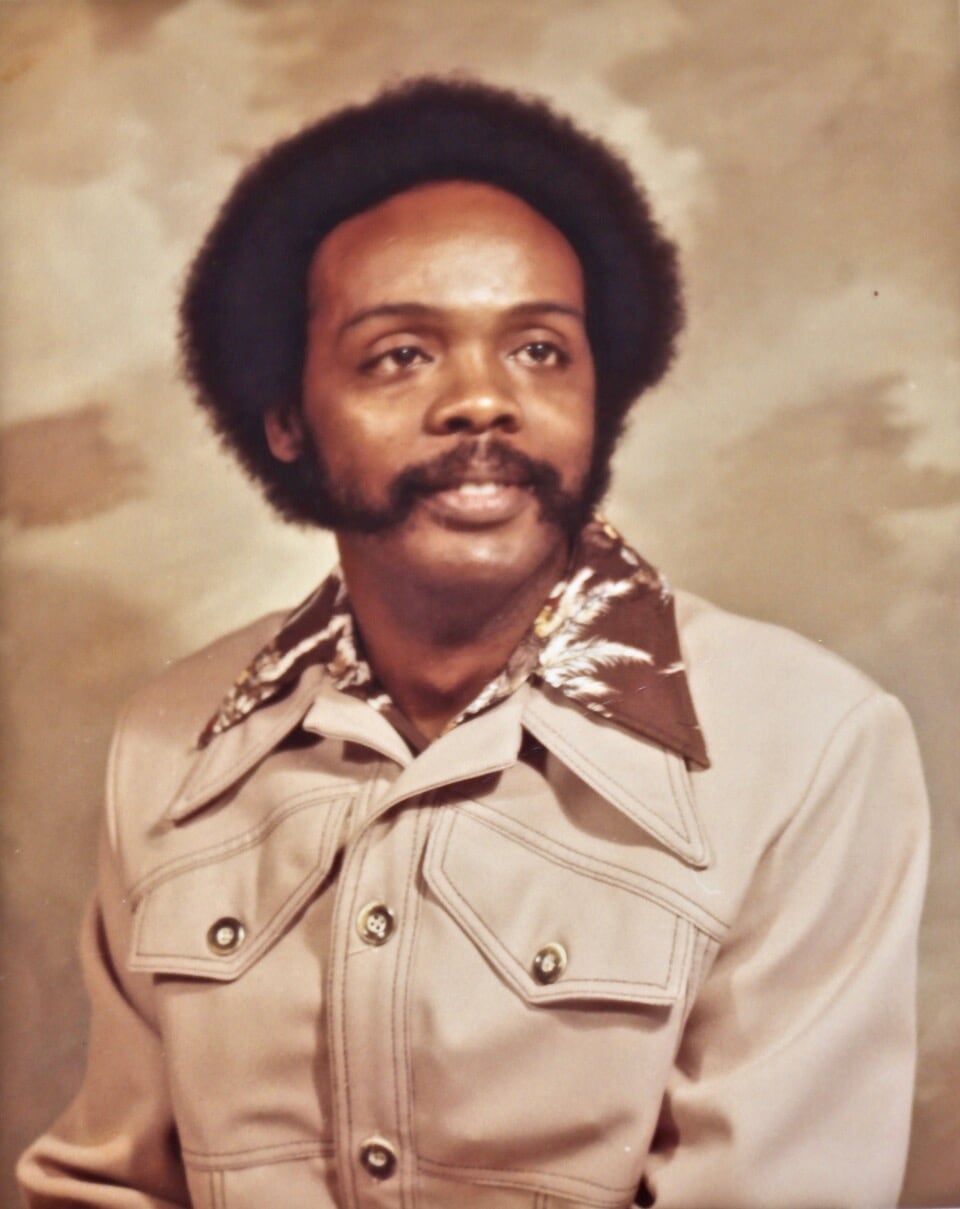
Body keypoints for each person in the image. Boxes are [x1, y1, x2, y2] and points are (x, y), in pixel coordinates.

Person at [18, 78, 929, 1209]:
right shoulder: (168, 744)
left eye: (540, 349)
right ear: (286, 417)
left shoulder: (809, 744)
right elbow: (113, 1184)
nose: (483, 402)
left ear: (603, 392)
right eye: (401, 354)